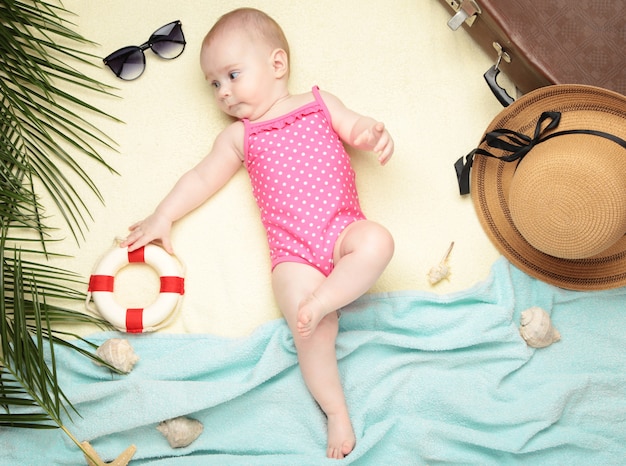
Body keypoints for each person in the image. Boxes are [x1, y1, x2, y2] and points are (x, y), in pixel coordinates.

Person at [121, 7, 394, 459]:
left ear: (276, 64)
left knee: (379, 241)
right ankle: (336, 411)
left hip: (343, 229)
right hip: (294, 257)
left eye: (231, 75)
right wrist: (163, 215)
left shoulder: (319, 102)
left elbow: (355, 127)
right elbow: (200, 178)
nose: (224, 93)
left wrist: (371, 133)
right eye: (214, 84)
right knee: (312, 333)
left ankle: (326, 300)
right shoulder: (239, 137)